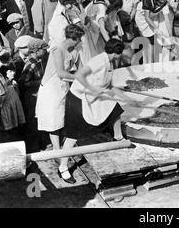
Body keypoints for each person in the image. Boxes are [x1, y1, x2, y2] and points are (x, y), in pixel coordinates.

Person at [58, 39, 131, 183]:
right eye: (121, 52)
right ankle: (63, 168)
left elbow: (110, 88)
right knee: (73, 135)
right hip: (78, 98)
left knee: (115, 108)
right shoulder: (98, 61)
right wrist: (91, 88)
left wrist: (127, 98)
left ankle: (118, 138)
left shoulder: (110, 63)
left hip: (91, 97)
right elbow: (79, 75)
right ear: (117, 53)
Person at [35, 24, 84, 152]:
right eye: (80, 38)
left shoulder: (74, 51)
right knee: (53, 120)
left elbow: (80, 69)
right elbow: (61, 73)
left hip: (63, 87)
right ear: (74, 38)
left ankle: (62, 147)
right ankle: (57, 150)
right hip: (51, 88)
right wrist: (80, 79)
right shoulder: (57, 50)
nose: (81, 41)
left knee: (62, 117)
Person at [18, 38, 48, 152]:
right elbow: (23, 82)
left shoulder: (39, 61)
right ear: (37, 50)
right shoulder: (31, 64)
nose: (45, 51)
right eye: (43, 49)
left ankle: (40, 143)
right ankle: (33, 147)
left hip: (38, 96)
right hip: (31, 98)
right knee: (32, 123)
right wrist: (40, 82)